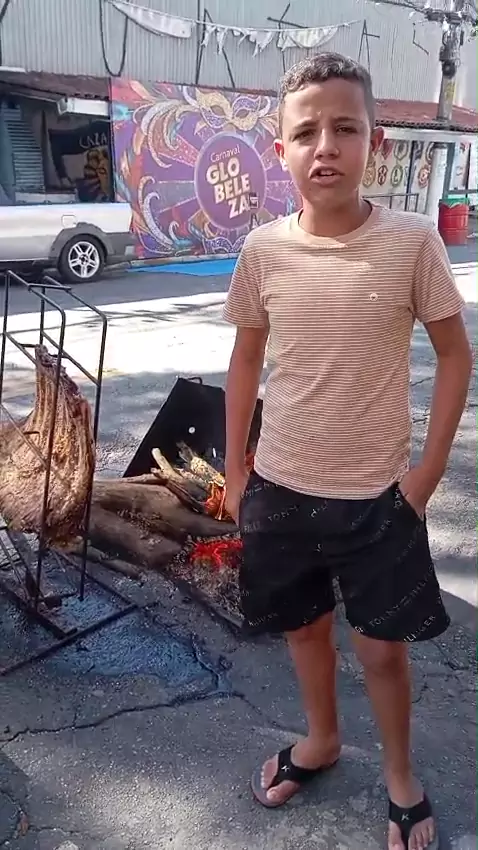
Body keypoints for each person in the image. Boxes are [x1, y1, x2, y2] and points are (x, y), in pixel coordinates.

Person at [223, 53, 472, 850]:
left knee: (381, 649)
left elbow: (456, 355)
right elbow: (245, 361)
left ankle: (400, 774)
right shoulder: (263, 250)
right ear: (282, 151)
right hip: (281, 485)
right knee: (303, 630)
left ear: (377, 143)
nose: (324, 146)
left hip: (377, 496)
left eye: (345, 128)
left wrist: (426, 473)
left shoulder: (411, 243)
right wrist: (236, 470)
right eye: (306, 132)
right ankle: (322, 739)